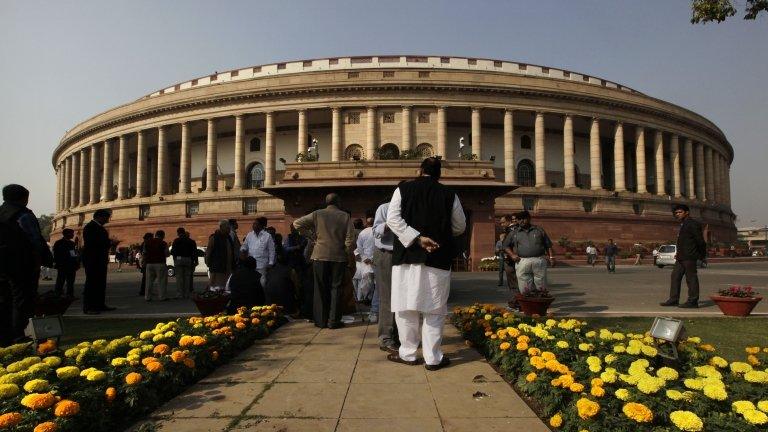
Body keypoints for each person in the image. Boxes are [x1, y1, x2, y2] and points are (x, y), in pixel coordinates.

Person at [386, 157, 466, 370]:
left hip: (406, 256)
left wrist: (416, 238)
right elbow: (459, 226)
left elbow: (392, 220)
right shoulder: (450, 194)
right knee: (435, 310)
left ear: (420, 170)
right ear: (439, 174)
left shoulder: (403, 190)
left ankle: (409, 354)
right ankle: (433, 358)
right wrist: (438, 234)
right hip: (437, 257)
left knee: (405, 308)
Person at [293, 193, 355, 329]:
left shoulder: (317, 214)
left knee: (320, 288)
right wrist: (346, 251)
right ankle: (334, 321)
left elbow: (296, 223)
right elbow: (351, 238)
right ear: (338, 202)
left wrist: (312, 236)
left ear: (326, 202)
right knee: (336, 288)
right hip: (338, 256)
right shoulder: (345, 216)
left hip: (320, 255)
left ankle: (320, 321)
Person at [0, 184, 53, 342]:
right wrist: (45, 259)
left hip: (2, 264)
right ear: (24, 198)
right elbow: (35, 239)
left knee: (4, 299)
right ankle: (19, 335)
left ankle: (5, 336)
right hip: (21, 264)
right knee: (22, 300)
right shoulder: (23, 214)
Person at [660, 204, 707, 308]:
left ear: (687, 212)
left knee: (691, 278)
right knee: (675, 276)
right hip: (681, 257)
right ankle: (674, 299)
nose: (678, 214)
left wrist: (702, 255)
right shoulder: (683, 224)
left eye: (680, 212)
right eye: (676, 213)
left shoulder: (692, 224)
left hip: (690, 256)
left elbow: (700, 241)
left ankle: (693, 301)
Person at [506, 210, 554, 292]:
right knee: (524, 286)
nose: (521, 221)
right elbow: (506, 246)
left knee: (541, 284)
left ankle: (541, 301)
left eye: (524, 219)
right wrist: (512, 255)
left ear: (529, 219)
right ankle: (527, 303)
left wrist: (552, 257)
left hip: (539, 260)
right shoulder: (514, 232)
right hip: (522, 260)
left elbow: (548, 245)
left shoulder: (539, 230)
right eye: (519, 219)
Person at [373, 200, 398, 353]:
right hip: (387, 255)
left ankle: (400, 336)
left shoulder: (412, 208)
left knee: (404, 299)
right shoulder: (385, 208)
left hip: (406, 256)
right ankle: (386, 338)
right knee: (387, 297)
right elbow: (376, 231)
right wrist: (391, 223)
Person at [81, 209, 114, 314]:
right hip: (93, 259)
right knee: (91, 283)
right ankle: (88, 307)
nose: (107, 220)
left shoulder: (98, 228)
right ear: (99, 217)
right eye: (106, 218)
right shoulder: (90, 227)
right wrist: (108, 243)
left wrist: (110, 243)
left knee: (100, 283)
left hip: (99, 259)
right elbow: (93, 243)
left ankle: (99, 304)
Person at [241, 217, 276, 287]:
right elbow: (244, 245)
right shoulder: (249, 235)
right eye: (253, 224)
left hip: (262, 265)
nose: (253, 225)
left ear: (261, 225)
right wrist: (243, 250)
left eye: (256, 224)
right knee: (250, 283)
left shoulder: (267, 236)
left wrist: (271, 263)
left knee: (261, 283)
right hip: (250, 265)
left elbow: (271, 251)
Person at [206, 220, 235, 288]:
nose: (229, 229)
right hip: (217, 268)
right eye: (227, 228)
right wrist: (209, 264)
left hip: (227, 268)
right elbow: (208, 252)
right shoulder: (214, 238)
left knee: (225, 286)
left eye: (229, 228)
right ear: (221, 227)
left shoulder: (229, 238)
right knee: (216, 286)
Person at [353, 217, 375, 306]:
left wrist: (364, 258)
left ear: (366, 223)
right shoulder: (378, 231)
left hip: (365, 261)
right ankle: (369, 299)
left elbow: (359, 247)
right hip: (376, 260)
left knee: (365, 281)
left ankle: (365, 298)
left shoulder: (363, 233)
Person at [171, 227, 197, 299]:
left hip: (179, 259)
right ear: (184, 232)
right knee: (187, 277)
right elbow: (194, 252)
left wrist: (175, 259)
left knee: (179, 277)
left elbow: (173, 251)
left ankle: (180, 294)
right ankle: (186, 294)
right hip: (188, 259)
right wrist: (195, 261)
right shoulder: (191, 241)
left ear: (178, 233)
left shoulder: (176, 240)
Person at [53, 228, 79, 298]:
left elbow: (73, 254)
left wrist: (76, 262)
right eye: (71, 233)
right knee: (61, 280)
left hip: (71, 265)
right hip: (63, 264)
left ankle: (69, 294)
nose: (73, 235)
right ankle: (58, 293)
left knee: (70, 281)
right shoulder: (59, 243)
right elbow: (56, 255)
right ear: (67, 234)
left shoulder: (72, 243)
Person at [499, 214, 519, 293]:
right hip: (515, 257)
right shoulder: (516, 229)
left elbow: (507, 245)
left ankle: (517, 299)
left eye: (503, 222)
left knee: (513, 280)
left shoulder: (510, 230)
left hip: (511, 258)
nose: (501, 225)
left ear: (509, 221)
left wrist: (502, 239)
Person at [137, 232, 153, 296]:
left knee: (146, 277)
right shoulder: (145, 244)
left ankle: (145, 291)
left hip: (145, 262)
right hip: (146, 262)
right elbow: (144, 253)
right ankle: (143, 291)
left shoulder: (144, 243)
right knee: (146, 278)